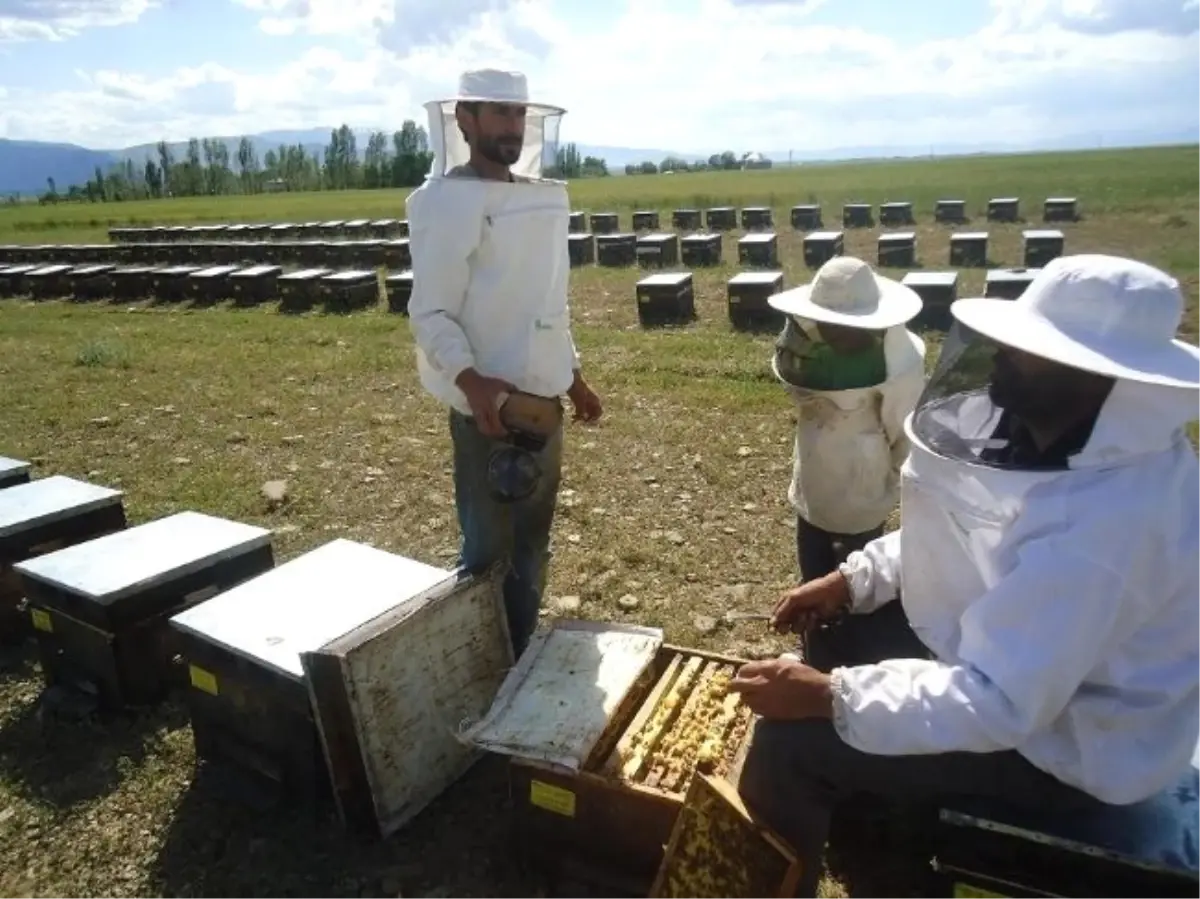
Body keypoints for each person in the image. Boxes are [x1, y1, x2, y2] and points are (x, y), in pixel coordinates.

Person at [730, 254, 1200, 899]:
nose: (1002, 356)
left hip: (1069, 752)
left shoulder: (1108, 527)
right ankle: (879, 850)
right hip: (1036, 690)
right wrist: (854, 579)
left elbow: (1001, 702)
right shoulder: (1070, 442)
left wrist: (829, 697)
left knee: (789, 747)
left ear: (1089, 377)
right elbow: (965, 527)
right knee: (854, 641)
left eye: (1028, 350)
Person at [405, 69, 603, 657]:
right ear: (464, 119)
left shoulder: (535, 199)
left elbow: (546, 308)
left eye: (518, 116)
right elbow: (431, 312)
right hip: (489, 412)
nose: (512, 128)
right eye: (498, 114)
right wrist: (470, 379)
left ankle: (515, 650)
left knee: (533, 545)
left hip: (542, 408)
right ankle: (477, 661)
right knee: (488, 550)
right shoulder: (445, 203)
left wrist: (574, 378)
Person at [768, 256, 926, 584]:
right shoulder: (811, 344)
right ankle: (816, 627)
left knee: (855, 579)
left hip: (862, 483)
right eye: (825, 321)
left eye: (840, 325)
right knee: (812, 568)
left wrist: (891, 477)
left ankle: (854, 630)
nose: (830, 330)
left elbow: (903, 428)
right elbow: (796, 383)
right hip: (814, 473)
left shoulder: (898, 361)